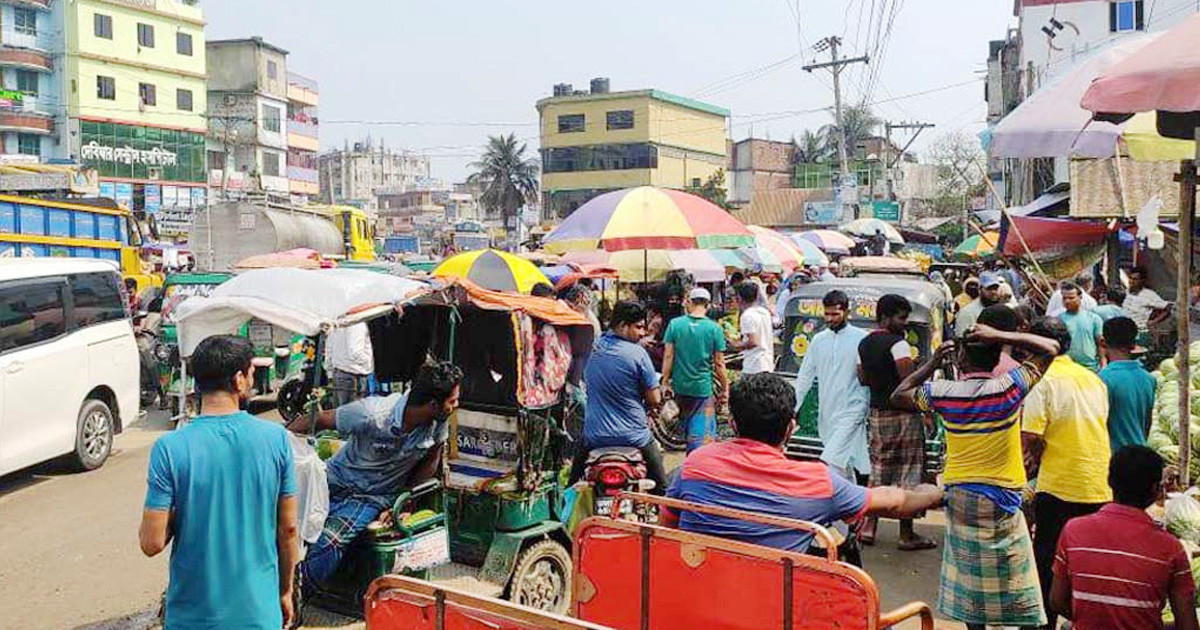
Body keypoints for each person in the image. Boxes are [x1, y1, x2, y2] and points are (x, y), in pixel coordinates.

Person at [891, 322, 1061, 630]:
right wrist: (1000, 335)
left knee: (971, 580)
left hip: (961, 494)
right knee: (1014, 575)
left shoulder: (944, 392)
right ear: (996, 359)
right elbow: (1050, 348)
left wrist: (932, 363)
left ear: (960, 360)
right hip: (1004, 495)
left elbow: (899, 394)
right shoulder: (1009, 387)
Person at [663, 372, 943, 553]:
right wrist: (936, 494)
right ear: (790, 429)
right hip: (774, 609)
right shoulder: (818, 481)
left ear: (734, 424)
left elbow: (667, 528)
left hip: (698, 599)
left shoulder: (694, 464)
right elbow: (896, 501)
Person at [140, 335, 299, 629]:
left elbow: (151, 542)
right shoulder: (276, 440)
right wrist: (285, 591)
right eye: (251, 374)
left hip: (192, 616)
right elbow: (288, 529)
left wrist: (186, 510)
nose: (252, 381)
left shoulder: (169, 448)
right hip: (257, 612)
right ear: (239, 380)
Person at [292, 361, 463, 588]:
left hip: (372, 498)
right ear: (433, 404)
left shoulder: (438, 423)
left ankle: (295, 596)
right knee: (288, 523)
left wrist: (403, 500)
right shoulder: (371, 413)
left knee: (330, 540)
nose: (457, 405)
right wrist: (278, 439)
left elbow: (431, 461)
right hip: (333, 479)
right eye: (452, 401)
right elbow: (320, 419)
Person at [1021, 317, 1112, 630]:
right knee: (1088, 563)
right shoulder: (1093, 379)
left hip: (1061, 485)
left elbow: (1031, 435)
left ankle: (1041, 624)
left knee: (1047, 561)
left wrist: (1032, 459)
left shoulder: (1042, 380)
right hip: (1098, 483)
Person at [1051, 445, 1198, 630]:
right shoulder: (1171, 548)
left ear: (1109, 481)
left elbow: (1057, 601)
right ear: (1155, 489)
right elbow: (1188, 624)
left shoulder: (1073, 530)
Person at [856, 294, 937, 551]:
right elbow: (909, 384)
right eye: (901, 318)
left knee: (879, 471)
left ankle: (869, 527)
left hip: (878, 415)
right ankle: (906, 534)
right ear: (886, 317)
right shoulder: (898, 344)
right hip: (903, 415)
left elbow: (862, 378)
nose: (905, 323)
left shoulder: (864, 343)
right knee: (908, 473)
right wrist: (926, 412)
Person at [568, 300, 667, 491]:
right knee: (662, 487)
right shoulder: (638, 354)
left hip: (594, 436)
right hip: (634, 436)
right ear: (622, 325)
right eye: (638, 327)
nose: (642, 333)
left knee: (571, 486)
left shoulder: (592, 348)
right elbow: (654, 399)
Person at [794, 290, 872, 479]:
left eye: (835, 314)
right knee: (843, 462)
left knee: (831, 459)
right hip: (828, 411)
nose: (830, 319)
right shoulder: (819, 340)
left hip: (855, 407)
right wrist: (793, 407)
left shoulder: (862, 338)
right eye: (827, 314)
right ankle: (851, 501)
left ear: (847, 312)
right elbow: (805, 376)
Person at [661, 288, 729, 453]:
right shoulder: (714, 329)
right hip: (702, 389)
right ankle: (695, 466)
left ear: (689, 302)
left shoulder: (675, 325)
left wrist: (665, 382)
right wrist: (725, 388)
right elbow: (719, 363)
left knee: (680, 432)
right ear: (708, 305)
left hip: (680, 387)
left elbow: (668, 356)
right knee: (700, 438)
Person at [1100, 316, 1156, 452]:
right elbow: (1147, 423)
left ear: (1103, 342)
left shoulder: (1102, 380)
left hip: (1116, 459)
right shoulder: (1149, 378)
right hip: (1141, 453)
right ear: (1133, 345)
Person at [1058, 282, 1105, 372]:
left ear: (1080, 297)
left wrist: (1103, 364)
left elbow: (1100, 344)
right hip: (1067, 369)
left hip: (1091, 369)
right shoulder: (1058, 320)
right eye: (1064, 298)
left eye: (1071, 298)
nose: (1067, 301)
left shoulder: (1093, 318)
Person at [729, 282, 775, 374]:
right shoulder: (764, 312)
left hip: (754, 365)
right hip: (767, 362)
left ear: (740, 298)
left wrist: (736, 345)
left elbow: (753, 342)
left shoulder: (747, 316)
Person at [325, 322, 375, 406]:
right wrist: (368, 366)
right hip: (354, 374)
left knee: (340, 413)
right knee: (354, 414)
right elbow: (355, 352)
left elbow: (329, 349)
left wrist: (330, 371)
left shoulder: (336, 322)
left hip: (339, 372)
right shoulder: (357, 324)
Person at [955, 272, 1009, 337]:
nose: (993, 292)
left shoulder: (1004, 310)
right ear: (980, 289)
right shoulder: (967, 312)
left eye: (995, 288)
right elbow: (961, 338)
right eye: (989, 289)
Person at [1124, 267, 1170, 332]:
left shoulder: (1149, 295)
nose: (1131, 281)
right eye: (1130, 278)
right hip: (1125, 330)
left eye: (1135, 279)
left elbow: (1167, 308)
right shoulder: (1126, 293)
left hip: (1140, 331)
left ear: (1142, 281)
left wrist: (1153, 322)